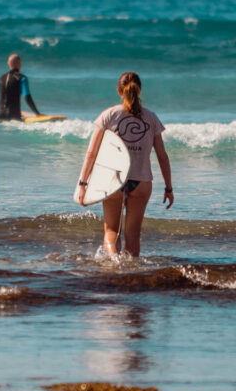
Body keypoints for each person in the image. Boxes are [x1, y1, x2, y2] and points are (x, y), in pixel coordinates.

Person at [74, 72, 173, 258]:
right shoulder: (151, 118)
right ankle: (131, 270)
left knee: (112, 231)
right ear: (140, 90)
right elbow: (162, 156)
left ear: (119, 91)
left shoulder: (109, 115)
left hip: (114, 181)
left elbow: (92, 153)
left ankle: (114, 263)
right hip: (141, 182)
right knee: (133, 235)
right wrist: (168, 187)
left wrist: (83, 184)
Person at [0, 53, 42, 120]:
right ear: (20, 64)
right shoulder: (22, 78)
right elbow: (27, 97)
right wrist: (37, 113)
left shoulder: (1, 78)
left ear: (8, 64)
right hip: (13, 115)